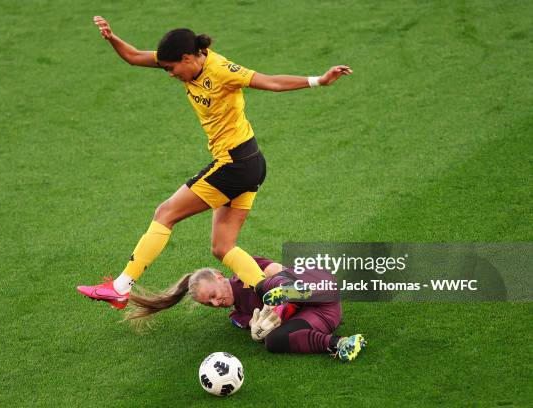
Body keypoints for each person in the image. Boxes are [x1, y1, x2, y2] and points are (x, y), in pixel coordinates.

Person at [77, 16, 353, 310]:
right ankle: (275, 295)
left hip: (236, 164)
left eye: (171, 69)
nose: (169, 74)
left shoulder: (221, 70)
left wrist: (318, 81)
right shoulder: (183, 61)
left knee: (165, 213)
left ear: (187, 58)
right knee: (223, 247)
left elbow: (270, 82)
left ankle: (120, 287)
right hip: (250, 164)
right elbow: (133, 57)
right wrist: (112, 38)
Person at [126, 256, 366, 362]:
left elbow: (279, 270)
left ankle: (286, 294)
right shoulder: (238, 316)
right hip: (323, 315)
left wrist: (279, 303)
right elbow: (257, 326)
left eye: (212, 295)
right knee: (274, 341)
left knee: (266, 284)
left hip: (318, 286)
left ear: (220, 276)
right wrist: (258, 333)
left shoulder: (244, 272)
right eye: (208, 304)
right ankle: (340, 343)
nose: (215, 303)